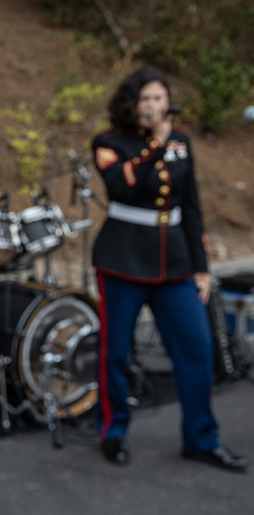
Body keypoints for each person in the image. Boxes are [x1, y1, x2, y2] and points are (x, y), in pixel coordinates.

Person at [92, 65, 247, 472]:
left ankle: (202, 438)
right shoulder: (109, 142)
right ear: (132, 104)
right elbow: (123, 186)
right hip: (122, 260)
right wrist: (156, 146)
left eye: (160, 99)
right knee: (116, 353)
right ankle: (113, 432)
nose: (154, 106)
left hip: (175, 262)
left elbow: (190, 205)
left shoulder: (182, 141)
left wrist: (201, 267)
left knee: (197, 347)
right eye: (146, 99)